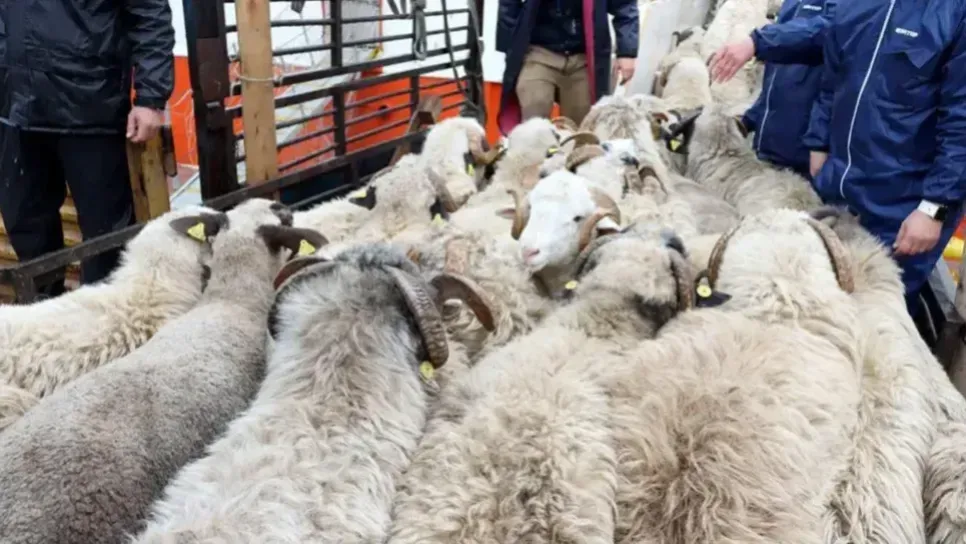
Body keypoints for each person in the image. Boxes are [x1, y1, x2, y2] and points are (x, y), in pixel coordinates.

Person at [0, 0, 175, 298]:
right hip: (14, 107)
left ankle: (99, 311)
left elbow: (149, 12)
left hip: (91, 107)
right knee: (25, 223)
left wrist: (151, 97)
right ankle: (43, 307)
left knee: (105, 234)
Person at [804, 1, 966, 316]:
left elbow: (961, 122)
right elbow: (833, 77)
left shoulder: (954, 12)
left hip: (902, 207)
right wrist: (817, 144)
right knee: (819, 304)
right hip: (836, 188)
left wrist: (934, 209)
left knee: (875, 314)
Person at [708, 0, 837, 180]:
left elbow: (827, 31)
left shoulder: (845, 6)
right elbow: (779, 73)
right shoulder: (793, 3)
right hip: (769, 150)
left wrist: (757, 42)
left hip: (806, 159)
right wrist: (750, 119)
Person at [495, 0, 639, 134]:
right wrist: (509, 49)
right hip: (538, 51)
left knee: (582, 129)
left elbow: (624, 5)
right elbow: (508, 4)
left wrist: (627, 52)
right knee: (534, 114)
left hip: (585, 58)